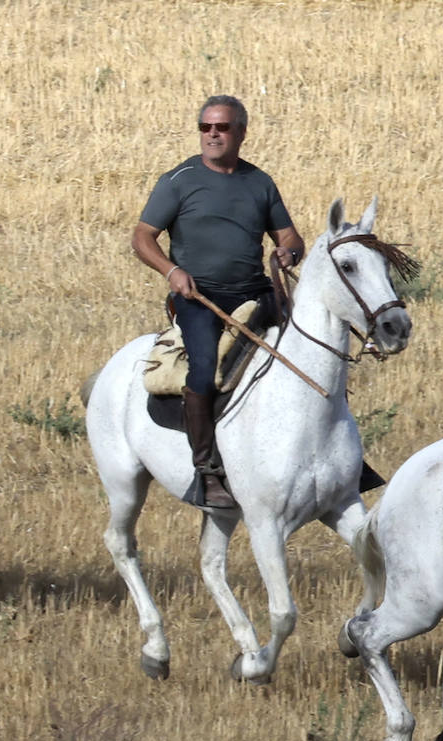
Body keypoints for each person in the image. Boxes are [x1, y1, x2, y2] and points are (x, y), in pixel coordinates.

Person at [131, 95, 305, 509]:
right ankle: (206, 470)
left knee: (312, 347)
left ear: (241, 132)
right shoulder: (179, 180)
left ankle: (337, 452)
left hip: (255, 291)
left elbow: (289, 237)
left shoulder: (259, 182)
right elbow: (142, 237)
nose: (212, 134)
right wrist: (172, 272)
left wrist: (290, 253)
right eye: (206, 127)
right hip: (200, 297)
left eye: (222, 127)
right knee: (205, 368)